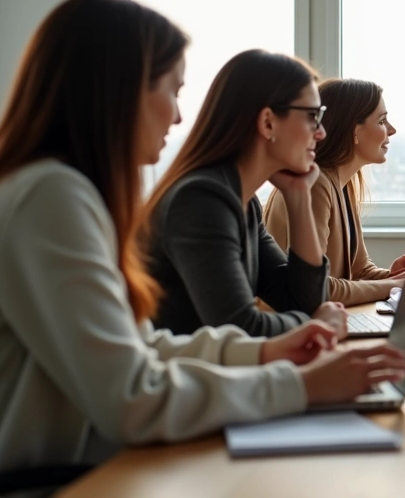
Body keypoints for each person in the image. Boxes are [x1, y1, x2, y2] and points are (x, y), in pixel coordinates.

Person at [0, 0, 405, 481]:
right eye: (171, 91)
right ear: (119, 91)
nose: (177, 116)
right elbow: (133, 396)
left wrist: (270, 353)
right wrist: (301, 386)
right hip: (23, 484)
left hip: (75, 464)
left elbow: (145, 346)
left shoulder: (60, 192)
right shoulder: (49, 199)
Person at [145, 50, 348, 338]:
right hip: (186, 379)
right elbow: (238, 328)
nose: (321, 133)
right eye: (313, 116)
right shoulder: (201, 200)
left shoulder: (242, 200)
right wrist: (318, 326)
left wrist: (299, 197)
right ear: (267, 123)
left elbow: (303, 301)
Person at [264, 78, 405, 304]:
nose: (392, 130)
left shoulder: (344, 184)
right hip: (293, 327)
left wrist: (395, 277)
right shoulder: (315, 186)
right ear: (354, 130)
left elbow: (359, 271)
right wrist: (395, 285)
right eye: (382, 121)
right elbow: (318, 288)